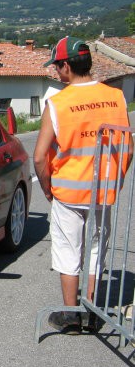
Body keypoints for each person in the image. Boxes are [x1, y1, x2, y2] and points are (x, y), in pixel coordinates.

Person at [33, 36, 132, 334]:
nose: (56, 73)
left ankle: (72, 316)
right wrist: (117, 180)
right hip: (104, 190)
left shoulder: (58, 103)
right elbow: (127, 147)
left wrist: (47, 189)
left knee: (67, 250)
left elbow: (39, 157)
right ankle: (91, 310)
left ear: (66, 66)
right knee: (96, 248)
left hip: (69, 191)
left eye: (57, 67)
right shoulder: (115, 97)